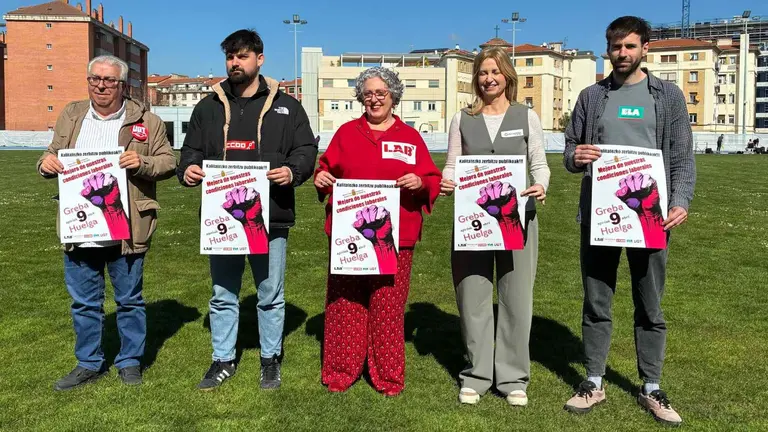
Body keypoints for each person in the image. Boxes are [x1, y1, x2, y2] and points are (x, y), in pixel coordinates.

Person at [562, 17, 695, 426]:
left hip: (652, 218)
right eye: (615, 47)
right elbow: (569, 149)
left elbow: (682, 157)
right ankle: (593, 380)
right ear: (608, 49)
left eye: (630, 47)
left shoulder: (668, 96)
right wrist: (575, 157)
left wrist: (681, 201)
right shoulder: (591, 96)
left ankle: (651, 386)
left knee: (650, 305)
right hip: (601, 215)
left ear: (645, 49)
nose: (622, 54)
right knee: (597, 301)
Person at [177, 29, 318, 391]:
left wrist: (292, 170)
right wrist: (188, 168)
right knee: (222, 294)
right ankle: (223, 359)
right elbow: (189, 150)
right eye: (230, 57)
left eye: (242, 56)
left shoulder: (287, 106)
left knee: (270, 294)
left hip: (270, 215)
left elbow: (305, 149)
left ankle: (270, 360)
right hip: (221, 218)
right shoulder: (207, 106)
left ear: (260, 58)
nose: (235, 63)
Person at [37, 55, 177, 390]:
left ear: (122, 84)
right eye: (95, 79)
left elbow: (169, 161)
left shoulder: (147, 120)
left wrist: (141, 162)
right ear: (88, 81)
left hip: (126, 226)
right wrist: (46, 164)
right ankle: (89, 362)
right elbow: (49, 153)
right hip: (80, 225)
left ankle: (129, 362)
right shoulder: (71, 115)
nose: (101, 85)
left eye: (109, 80)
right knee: (84, 302)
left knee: (129, 300)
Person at [314, 66, 441, 396]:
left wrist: (419, 182)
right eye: (368, 94)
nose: (374, 99)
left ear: (394, 97)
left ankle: (388, 376)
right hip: (350, 236)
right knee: (346, 304)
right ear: (360, 98)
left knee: (387, 306)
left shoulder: (410, 137)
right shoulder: (345, 133)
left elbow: (431, 178)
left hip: (395, 237)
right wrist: (322, 178)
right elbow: (325, 168)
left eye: (381, 93)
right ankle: (341, 371)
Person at [439, 47, 550, 407]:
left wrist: (541, 185)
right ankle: (476, 374)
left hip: (519, 218)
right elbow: (453, 164)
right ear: (476, 79)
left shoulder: (526, 116)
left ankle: (513, 376)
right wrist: (448, 180)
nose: (489, 78)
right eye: (483, 72)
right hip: (472, 219)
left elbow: (540, 164)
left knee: (516, 296)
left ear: (507, 77)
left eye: (495, 72)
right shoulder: (462, 118)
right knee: (472, 294)